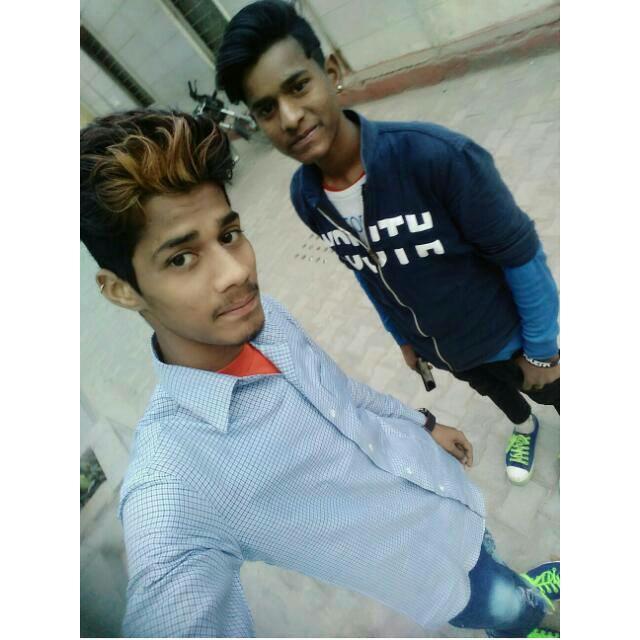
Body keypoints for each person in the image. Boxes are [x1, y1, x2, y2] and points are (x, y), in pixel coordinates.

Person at [80, 109, 559, 637]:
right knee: (507, 610)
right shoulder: (172, 482)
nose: (236, 272)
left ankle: (523, 590)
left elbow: (342, 393)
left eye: (230, 234)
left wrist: (422, 425)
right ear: (120, 289)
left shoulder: (265, 319)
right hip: (436, 575)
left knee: (497, 566)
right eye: (181, 259)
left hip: (448, 494)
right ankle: (529, 616)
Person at [215, 0, 560, 486]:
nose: (289, 117)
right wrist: (403, 338)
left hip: (509, 339)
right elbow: (364, 270)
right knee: (495, 393)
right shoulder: (307, 197)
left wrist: (543, 351)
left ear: (331, 71)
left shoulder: (435, 158)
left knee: (556, 392)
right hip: (447, 350)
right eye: (267, 109)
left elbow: (521, 254)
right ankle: (524, 427)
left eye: (298, 86)